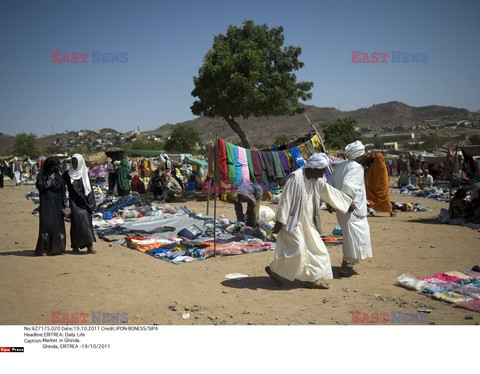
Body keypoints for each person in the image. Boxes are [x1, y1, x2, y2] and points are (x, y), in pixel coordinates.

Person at [266, 153, 354, 289]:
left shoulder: (316, 180)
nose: (323, 174)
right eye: (322, 171)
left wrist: (346, 204)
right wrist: (279, 221)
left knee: (318, 249)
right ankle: (275, 270)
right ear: (313, 168)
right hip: (292, 221)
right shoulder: (295, 177)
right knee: (297, 251)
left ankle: (312, 279)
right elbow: (285, 199)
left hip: (308, 221)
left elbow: (329, 192)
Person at [328, 140, 373, 277]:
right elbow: (349, 186)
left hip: (341, 208)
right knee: (353, 238)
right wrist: (348, 202)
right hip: (351, 209)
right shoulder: (356, 168)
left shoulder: (340, 166)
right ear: (360, 155)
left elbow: (329, 185)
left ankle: (348, 263)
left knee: (351, 236)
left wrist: (331, 202)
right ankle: (344, 266)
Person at [63, 154, 97, 254]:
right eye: (72, 162)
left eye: (76, 162)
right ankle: (75, 246)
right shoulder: (67, 175)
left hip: (85, 203)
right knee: (76, 224)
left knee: (87, 224)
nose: (74, 164)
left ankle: (89, 246)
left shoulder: (84, 173)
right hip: (74, 202)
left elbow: (89, 189)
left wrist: (90, 204)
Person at [34, 157, 67, 256]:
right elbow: (40, 187)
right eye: (52, 166)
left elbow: (63, 193)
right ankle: (45, 249)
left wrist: (65, 205)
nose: (54, 169)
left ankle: (58, 249)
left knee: (58, 227)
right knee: (46, 227)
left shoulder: (60, 178)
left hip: (57, 206)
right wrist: (49, 181)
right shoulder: (41, 176)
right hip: (46, 206)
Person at [365, 153, 395, 217]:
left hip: (375, 187)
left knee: (374, 199)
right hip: (383, 187)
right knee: (385, 199)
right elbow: (385, 177)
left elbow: (368, 176)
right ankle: (390, 211)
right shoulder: (383, 166)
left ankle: (372, 210)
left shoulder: (373, 167)